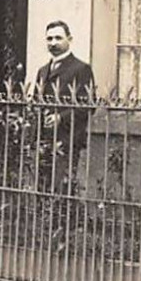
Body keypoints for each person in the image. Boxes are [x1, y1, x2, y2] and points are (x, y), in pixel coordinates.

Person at [34, 21, 95, 190]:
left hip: (68, 139)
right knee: (43, 186)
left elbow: (88, 105)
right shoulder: (42, 71)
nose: (53, 43)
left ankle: (61, 216)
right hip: (44, 139)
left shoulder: (81, 69)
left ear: (69, 39)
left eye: (58, 38)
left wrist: (61, 117)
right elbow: (36, 102)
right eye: (49, 39)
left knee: (62, 187)